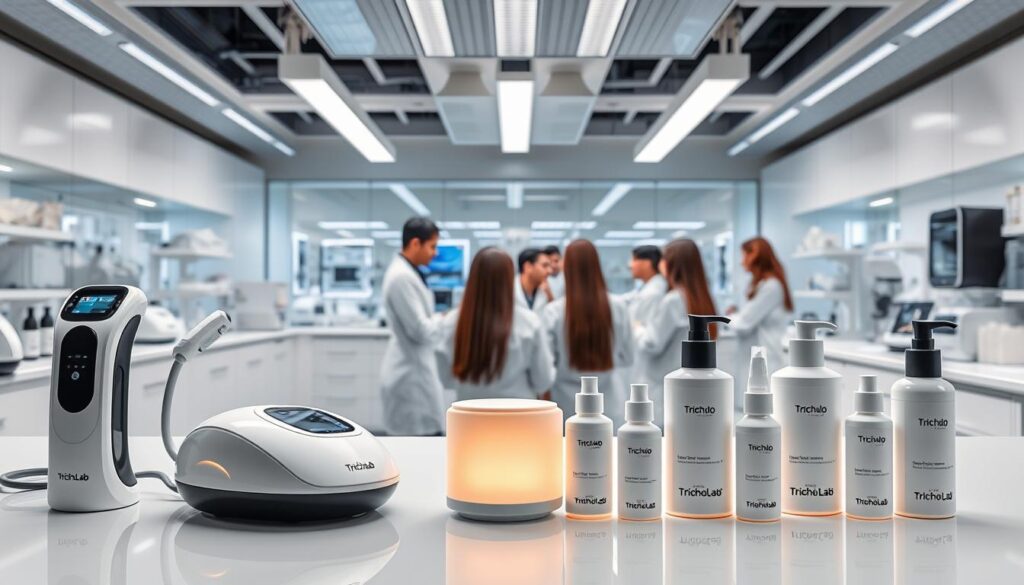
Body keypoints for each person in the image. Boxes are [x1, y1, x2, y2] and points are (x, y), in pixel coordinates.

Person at [437, 247, 556, 401]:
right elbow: (543, 381)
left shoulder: (451, 322)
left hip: (469, 416)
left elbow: (446, 379)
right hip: (517, 416)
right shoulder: (529, 322)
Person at [544, 240, 634, 427]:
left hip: (566, 407)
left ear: (566, 269)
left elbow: (546, 367)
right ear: (597, 267)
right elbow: (628, 358)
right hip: (609, 406)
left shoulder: (553, 312)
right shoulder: (618, 307)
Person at [634, 239, 717, 427]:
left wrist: (638, 328)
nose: (660, 264)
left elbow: (651, 344)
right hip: (689, 385)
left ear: (673, 264)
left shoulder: (673, 300)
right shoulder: (701, 297)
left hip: (663, 385)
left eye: (664, 258)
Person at [379, 217, 445, 436]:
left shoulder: (408, 272)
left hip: (414, 370)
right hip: (409, 378)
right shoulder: (401, 278)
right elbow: (421, 331)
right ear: (415, 243)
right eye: (432, 246)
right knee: (416, 448)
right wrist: (446, 318)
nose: (435, 253)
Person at [727, 236, 794, 374]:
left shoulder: (771, 287)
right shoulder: (760, 285)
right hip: (757, 358)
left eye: (744, 255)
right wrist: (738, 314)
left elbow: (743, 324)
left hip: (767, 360)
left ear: (754, 257)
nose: (741, 261)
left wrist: (728, 317)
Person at [622, 245, 668, 325]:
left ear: (647, 263)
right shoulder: (647, 287)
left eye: (633, 259)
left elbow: (647, 331)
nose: (630, 265)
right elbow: (628, 298)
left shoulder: (653, 293)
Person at [516, 247, 553, 315]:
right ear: (528, 267)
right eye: (544, 266)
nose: (550, 271)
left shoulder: (545, 292)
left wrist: (550, 297)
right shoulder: (509, 291)